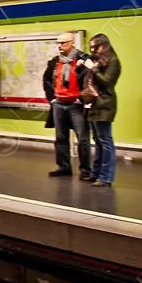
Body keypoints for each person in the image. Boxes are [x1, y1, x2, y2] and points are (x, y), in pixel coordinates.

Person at [43, 32, 91, 180]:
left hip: (76, 105)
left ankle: (85, 170)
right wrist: (52, 99)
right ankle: (64, 167)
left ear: (72, 43)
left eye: (63, 43)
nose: (60, 46)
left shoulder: (83, 60)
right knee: (60, 137)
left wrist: (82, 99)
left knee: (82, 138)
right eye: (58, 43)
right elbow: (46, 80)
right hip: (59, 104)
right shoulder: (55, 62)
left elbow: (90, 79)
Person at [84, 33, 120, 188]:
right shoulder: (99, 60)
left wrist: (94, 69)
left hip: (105, 104)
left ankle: (106, 177)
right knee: (98, 141)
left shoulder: (113, 61)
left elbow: (107, 81)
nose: (93, 50)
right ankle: (96, 173)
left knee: (106, 141)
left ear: (104, 46)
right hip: (94, 103)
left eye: (95, 47)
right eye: (91, 47)